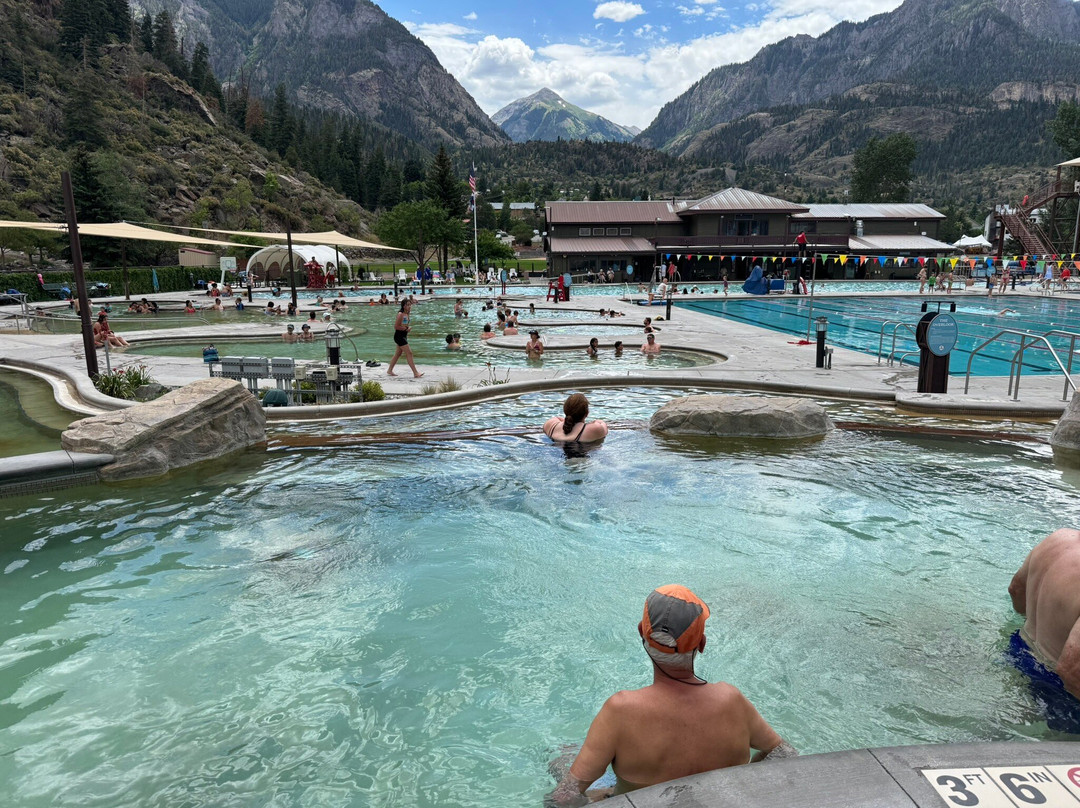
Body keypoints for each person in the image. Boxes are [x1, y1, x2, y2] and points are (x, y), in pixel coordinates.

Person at [547, 585, 794, 805]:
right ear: (702, 644)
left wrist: (608, 797)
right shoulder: (732, 700)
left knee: (561, 761)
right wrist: (744, 778)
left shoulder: (621, 710)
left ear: (641, 632)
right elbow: (784, 754)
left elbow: (565, 796)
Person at [1007, 529, 1080, 731]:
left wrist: (1046, 626)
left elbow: (1016, 589)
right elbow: (1072, 671)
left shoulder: (1058, 538)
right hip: (1058, 690)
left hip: (1019, 652)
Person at [542, 393, 608, 444]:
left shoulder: (550, 424)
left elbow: (558, 418)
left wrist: (567, 420)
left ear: (565, 410)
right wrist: (592, 423)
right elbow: (602, 424)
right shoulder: (593, 429)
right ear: (587, 413)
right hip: (581, 460)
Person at [386, 299, 422, 377]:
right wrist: (406, 329)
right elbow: (396, 326)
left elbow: (403, 325)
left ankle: (389, 370)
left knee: (397, 354)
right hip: (399, 336)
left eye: (410, 305)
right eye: (408, 305)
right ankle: (415, 373)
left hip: (403, 336)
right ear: (404, 306)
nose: (409, 307)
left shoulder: (407, 314)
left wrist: (407, 328)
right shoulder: (400, 314)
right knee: (409, 353)